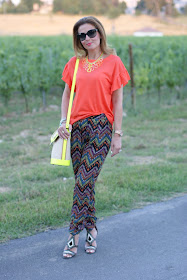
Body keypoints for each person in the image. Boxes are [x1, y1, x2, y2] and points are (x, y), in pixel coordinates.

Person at [58, 16, 130, 259]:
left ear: (99, 33)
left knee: (82, 182)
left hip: (101, 126)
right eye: (81, 35)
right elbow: (67, 94)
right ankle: (91, 228)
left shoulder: (113, 62)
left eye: (91, 33)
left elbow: (118, 100)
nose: (87, 38)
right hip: (76, 127)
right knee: (84, 182)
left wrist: (117, 134)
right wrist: (62, 123)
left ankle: (72, 236)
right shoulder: (74, 64)